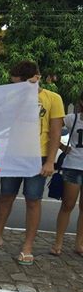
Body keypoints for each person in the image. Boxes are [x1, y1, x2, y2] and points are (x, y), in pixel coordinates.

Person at [0, 60, 64, 266]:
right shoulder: (11, 97)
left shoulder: (52, 98)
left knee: (33, 200)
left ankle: (27, 247)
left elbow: (55, 132)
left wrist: (51, 161)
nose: (15, 87)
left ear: (34, 79)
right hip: (13, 154)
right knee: (6, 196)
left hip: (39, 156)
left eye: (19, 83)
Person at [50, 92, 83, 256]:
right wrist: (63, 148)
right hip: (73, 166)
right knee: (68, 205)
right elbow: (53, 129)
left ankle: (80, 244)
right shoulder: (72, 118)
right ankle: (58, 243)